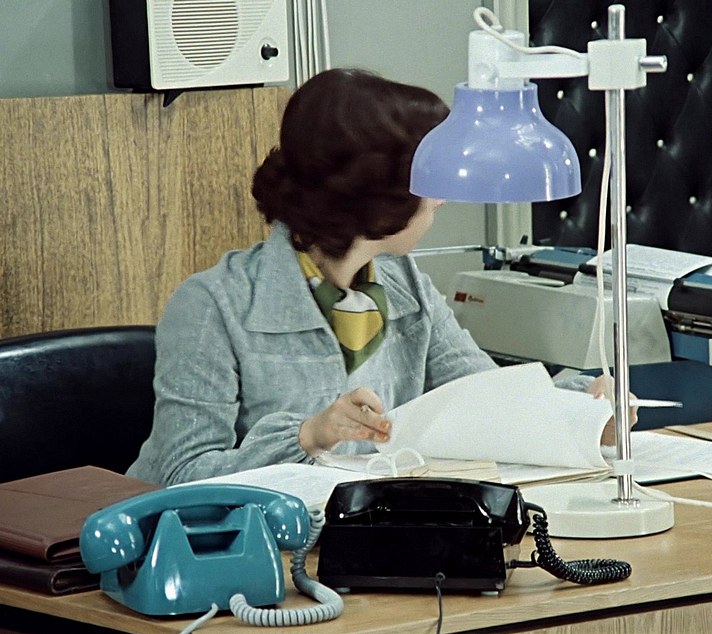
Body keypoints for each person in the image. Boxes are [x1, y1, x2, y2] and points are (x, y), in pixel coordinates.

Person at [126, 68, 630, 486]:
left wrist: (586, 411)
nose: (441, 197)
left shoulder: (405, 283)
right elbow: (182, 474)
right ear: (377, 193)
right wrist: (307, 436)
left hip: (365, 541)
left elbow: (485, 399)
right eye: (428, 175)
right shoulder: (211, 305)